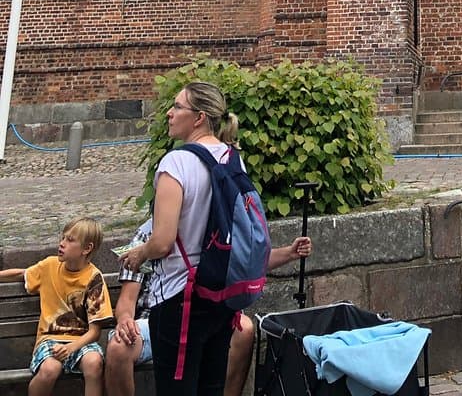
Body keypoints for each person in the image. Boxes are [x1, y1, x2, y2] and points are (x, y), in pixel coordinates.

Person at [119, 82, 248, 396]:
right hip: (221, 291)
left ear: (199, 117)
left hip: (180, 295)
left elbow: (162, 241)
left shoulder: (176, 163)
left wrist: (139, 254)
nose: (170, 112)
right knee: (211, 388)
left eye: (178, 107)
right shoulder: (232, 159)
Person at [106, 221, 311, 396]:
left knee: (244, 329)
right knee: (118, 347)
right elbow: (127, 298)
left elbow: (246, 263)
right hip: (155, 320)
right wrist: (125, 319)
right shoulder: (147, 233)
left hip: (206, 314)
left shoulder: (213, 226)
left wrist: (289, 253)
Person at [0, 216, 113, 396]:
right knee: (50, 369)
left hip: (81, 340)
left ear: (87, 248)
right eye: (63, 238)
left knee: (94, 363)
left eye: (70, 240)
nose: (62, 243)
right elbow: (21, 274)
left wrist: (70, 348)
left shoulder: (94, 278)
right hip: (50, 339)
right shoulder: (49, 266)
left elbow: (95, 332)